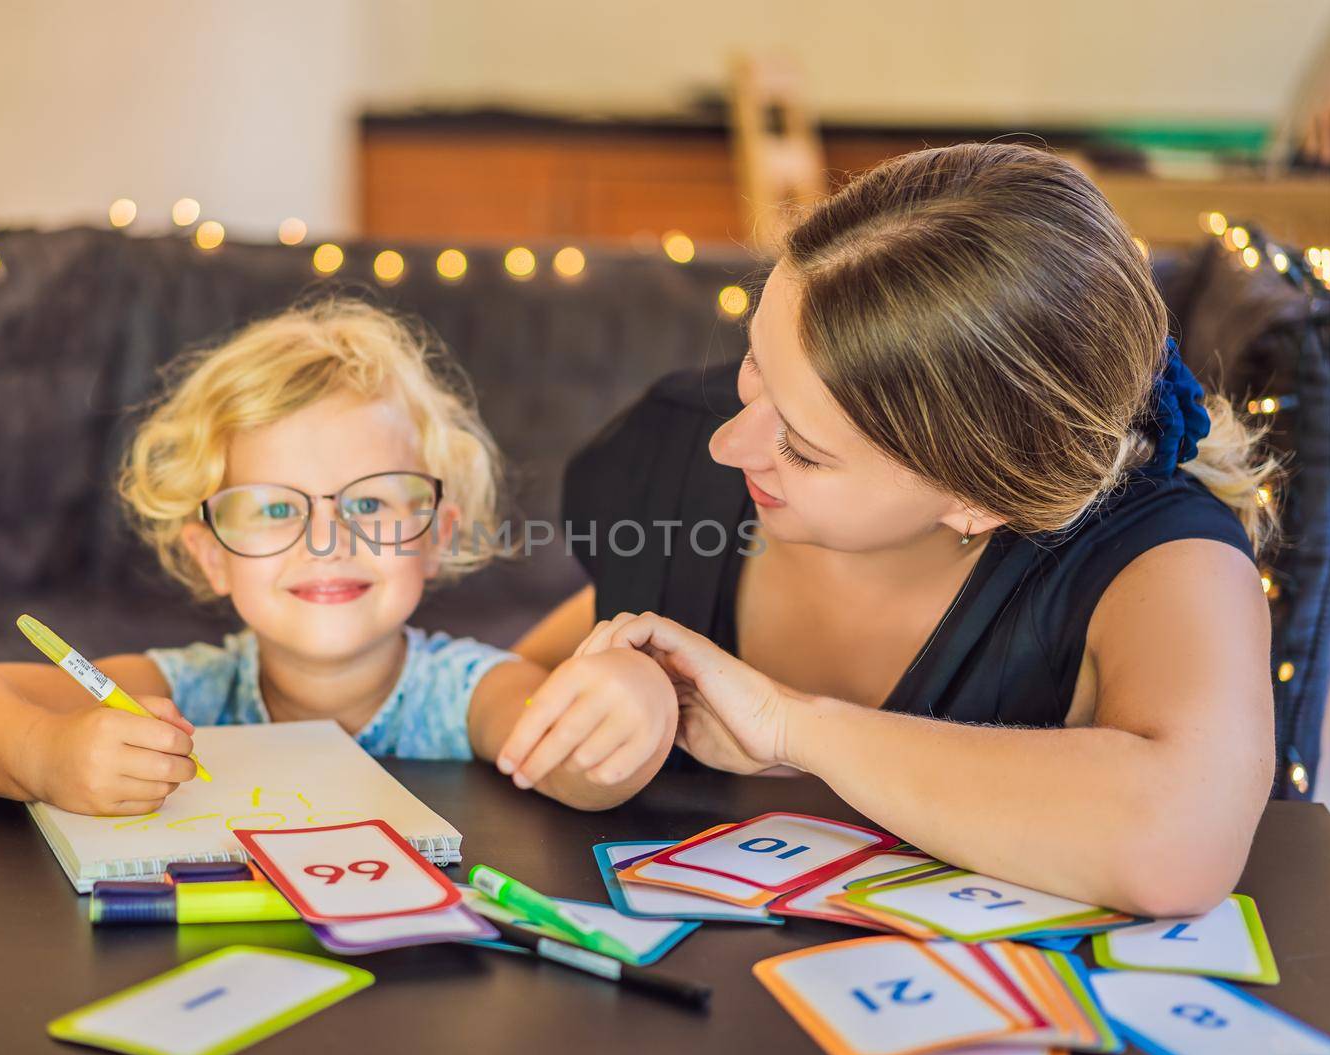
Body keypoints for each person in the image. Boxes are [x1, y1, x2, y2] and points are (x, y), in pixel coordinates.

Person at [504, 143, 1279, 917]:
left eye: (802, 450)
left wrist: (792, 727)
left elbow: (1180, 840)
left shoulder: (1160, 557)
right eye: (755, 366)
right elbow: (524, 671)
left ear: (976, 499)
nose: (728, 443)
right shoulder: (677, 460)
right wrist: (622, 695)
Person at [0, 300, 676, 815]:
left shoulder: (467, 692)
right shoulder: (186, 691)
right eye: (274, 508)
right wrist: (47, 754)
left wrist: (638, 701)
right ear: (211, 557)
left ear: (436, 533)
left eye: (368, 502)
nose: (326, 539)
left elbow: (581, 767)